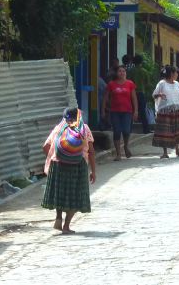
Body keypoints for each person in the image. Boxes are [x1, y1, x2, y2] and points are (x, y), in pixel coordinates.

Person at [41, 107, 96, 235]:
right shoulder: (84, 129)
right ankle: (66, 226)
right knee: (76, 196)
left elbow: (45, 146)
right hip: (78, 165)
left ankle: (59, 217)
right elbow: (91, 152)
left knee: (61, 193)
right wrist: (93, 171)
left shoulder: (59, 128)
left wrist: (53, 157)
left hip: (58, 164)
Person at [152, 65, 179, 158]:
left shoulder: (177, 84)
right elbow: (154, 95)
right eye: (176, 72)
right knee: (165, 132)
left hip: (176, 111)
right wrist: (159, 95)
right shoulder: (162, 83)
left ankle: (177, 150)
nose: (177, 74)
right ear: (171, 73)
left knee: (176, 131)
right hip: (164, 111)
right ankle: (165, 152)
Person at [102, 65, 138, 161]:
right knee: (117, 131)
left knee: (126, 131)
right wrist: (103, 110)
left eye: (123, 71)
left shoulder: (130, 84)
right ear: (117, 73)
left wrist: (136, 111)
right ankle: (118, 154)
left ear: (126, 73)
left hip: (127, 112)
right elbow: (105, 98)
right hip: (114, 112)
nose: (122, 73)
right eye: (120, 71)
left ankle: (126, 146)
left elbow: (134, 98)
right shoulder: (111, 84)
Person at [130, 54, 151, 134]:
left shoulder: (130, 71)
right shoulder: (144, 72)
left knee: (131, 111)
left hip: (132, 93)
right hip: (141, 93)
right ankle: (146, 129)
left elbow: (128, 81)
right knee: (142, 112)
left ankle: (129, 129)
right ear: (141, 62)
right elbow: (147, 84)